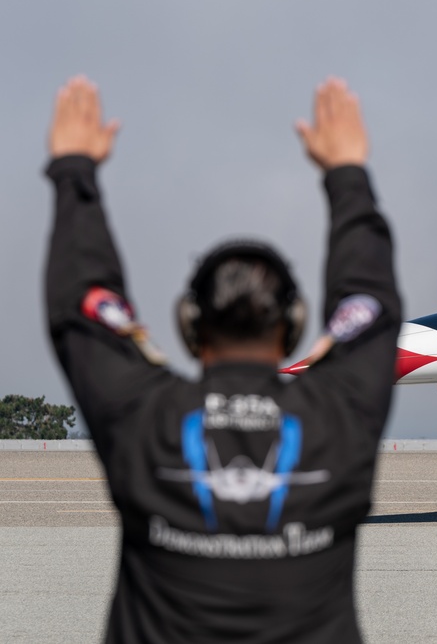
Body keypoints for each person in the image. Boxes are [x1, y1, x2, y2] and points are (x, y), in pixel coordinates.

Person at [44, 75, 401, 643]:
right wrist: (347, 175)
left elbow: (82, 307)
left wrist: (73, 173)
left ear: (189, 326)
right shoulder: (341, 412)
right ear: (295, 325)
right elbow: (372, 305)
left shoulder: (143, 414)